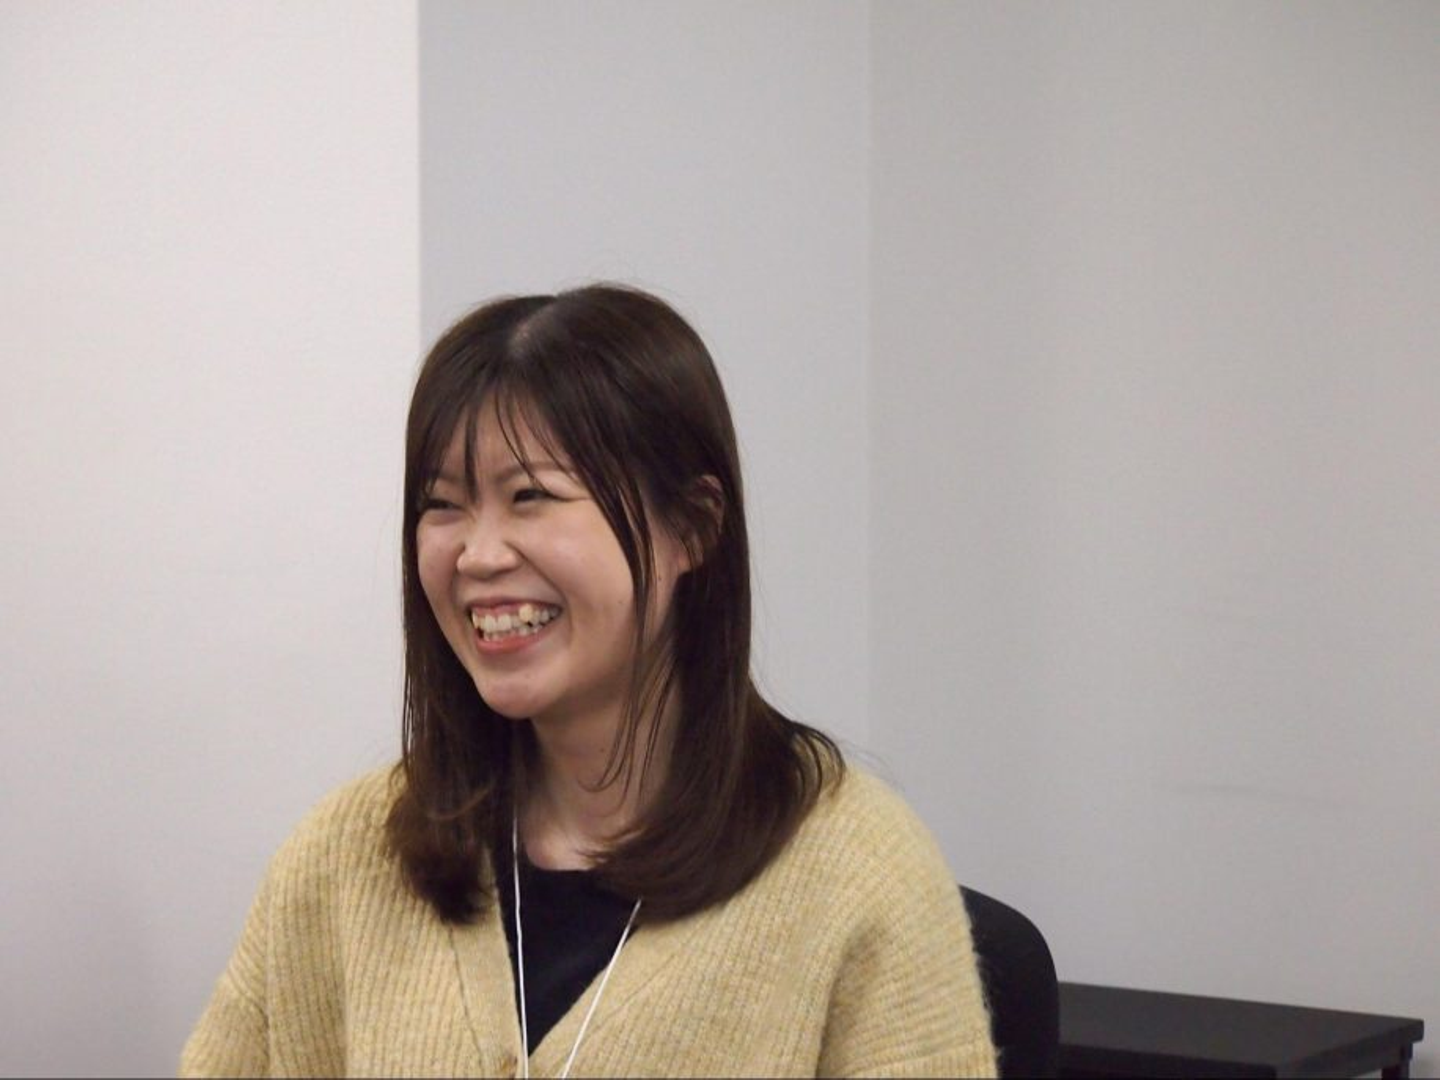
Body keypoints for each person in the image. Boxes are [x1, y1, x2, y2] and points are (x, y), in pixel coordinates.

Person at [180, 284, 997, 1078]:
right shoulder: (344, 857)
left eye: (530, 495)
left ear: (693, 527)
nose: (478, 555)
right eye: (443, 505)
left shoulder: (859, 874)